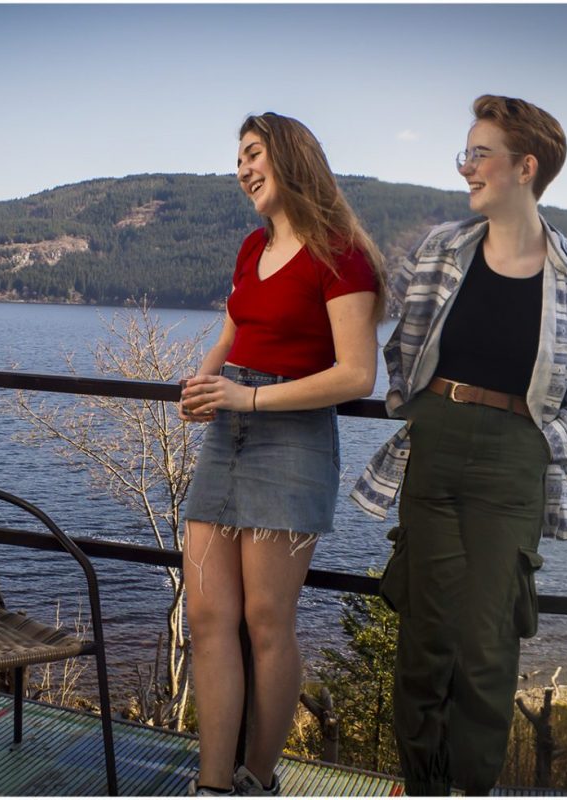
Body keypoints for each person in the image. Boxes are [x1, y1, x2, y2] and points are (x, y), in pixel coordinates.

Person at [352, 95, 567, 795]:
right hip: (436, 445)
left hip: (516, 459)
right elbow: (400, 344)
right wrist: (413, 405)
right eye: (465, 152)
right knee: (424, 639)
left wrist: (550, 442)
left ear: (524, 167)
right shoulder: (440, 249)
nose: (465, 167)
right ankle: (420, 785)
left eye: (479, 153)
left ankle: (470, 788)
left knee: (485, 648)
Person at [179, 112, 383, 796]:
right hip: (227, 433)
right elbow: (231, 336)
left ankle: (256, 778)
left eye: (253, 153)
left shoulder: (340, 252)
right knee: (207, 616)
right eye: (237, 158)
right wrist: (203, 386)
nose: (242, 169)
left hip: (292, 440)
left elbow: (358, 375)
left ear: (291, 158)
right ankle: (212, 785)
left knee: (267, 624)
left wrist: (251, 401)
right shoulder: (250, 248)